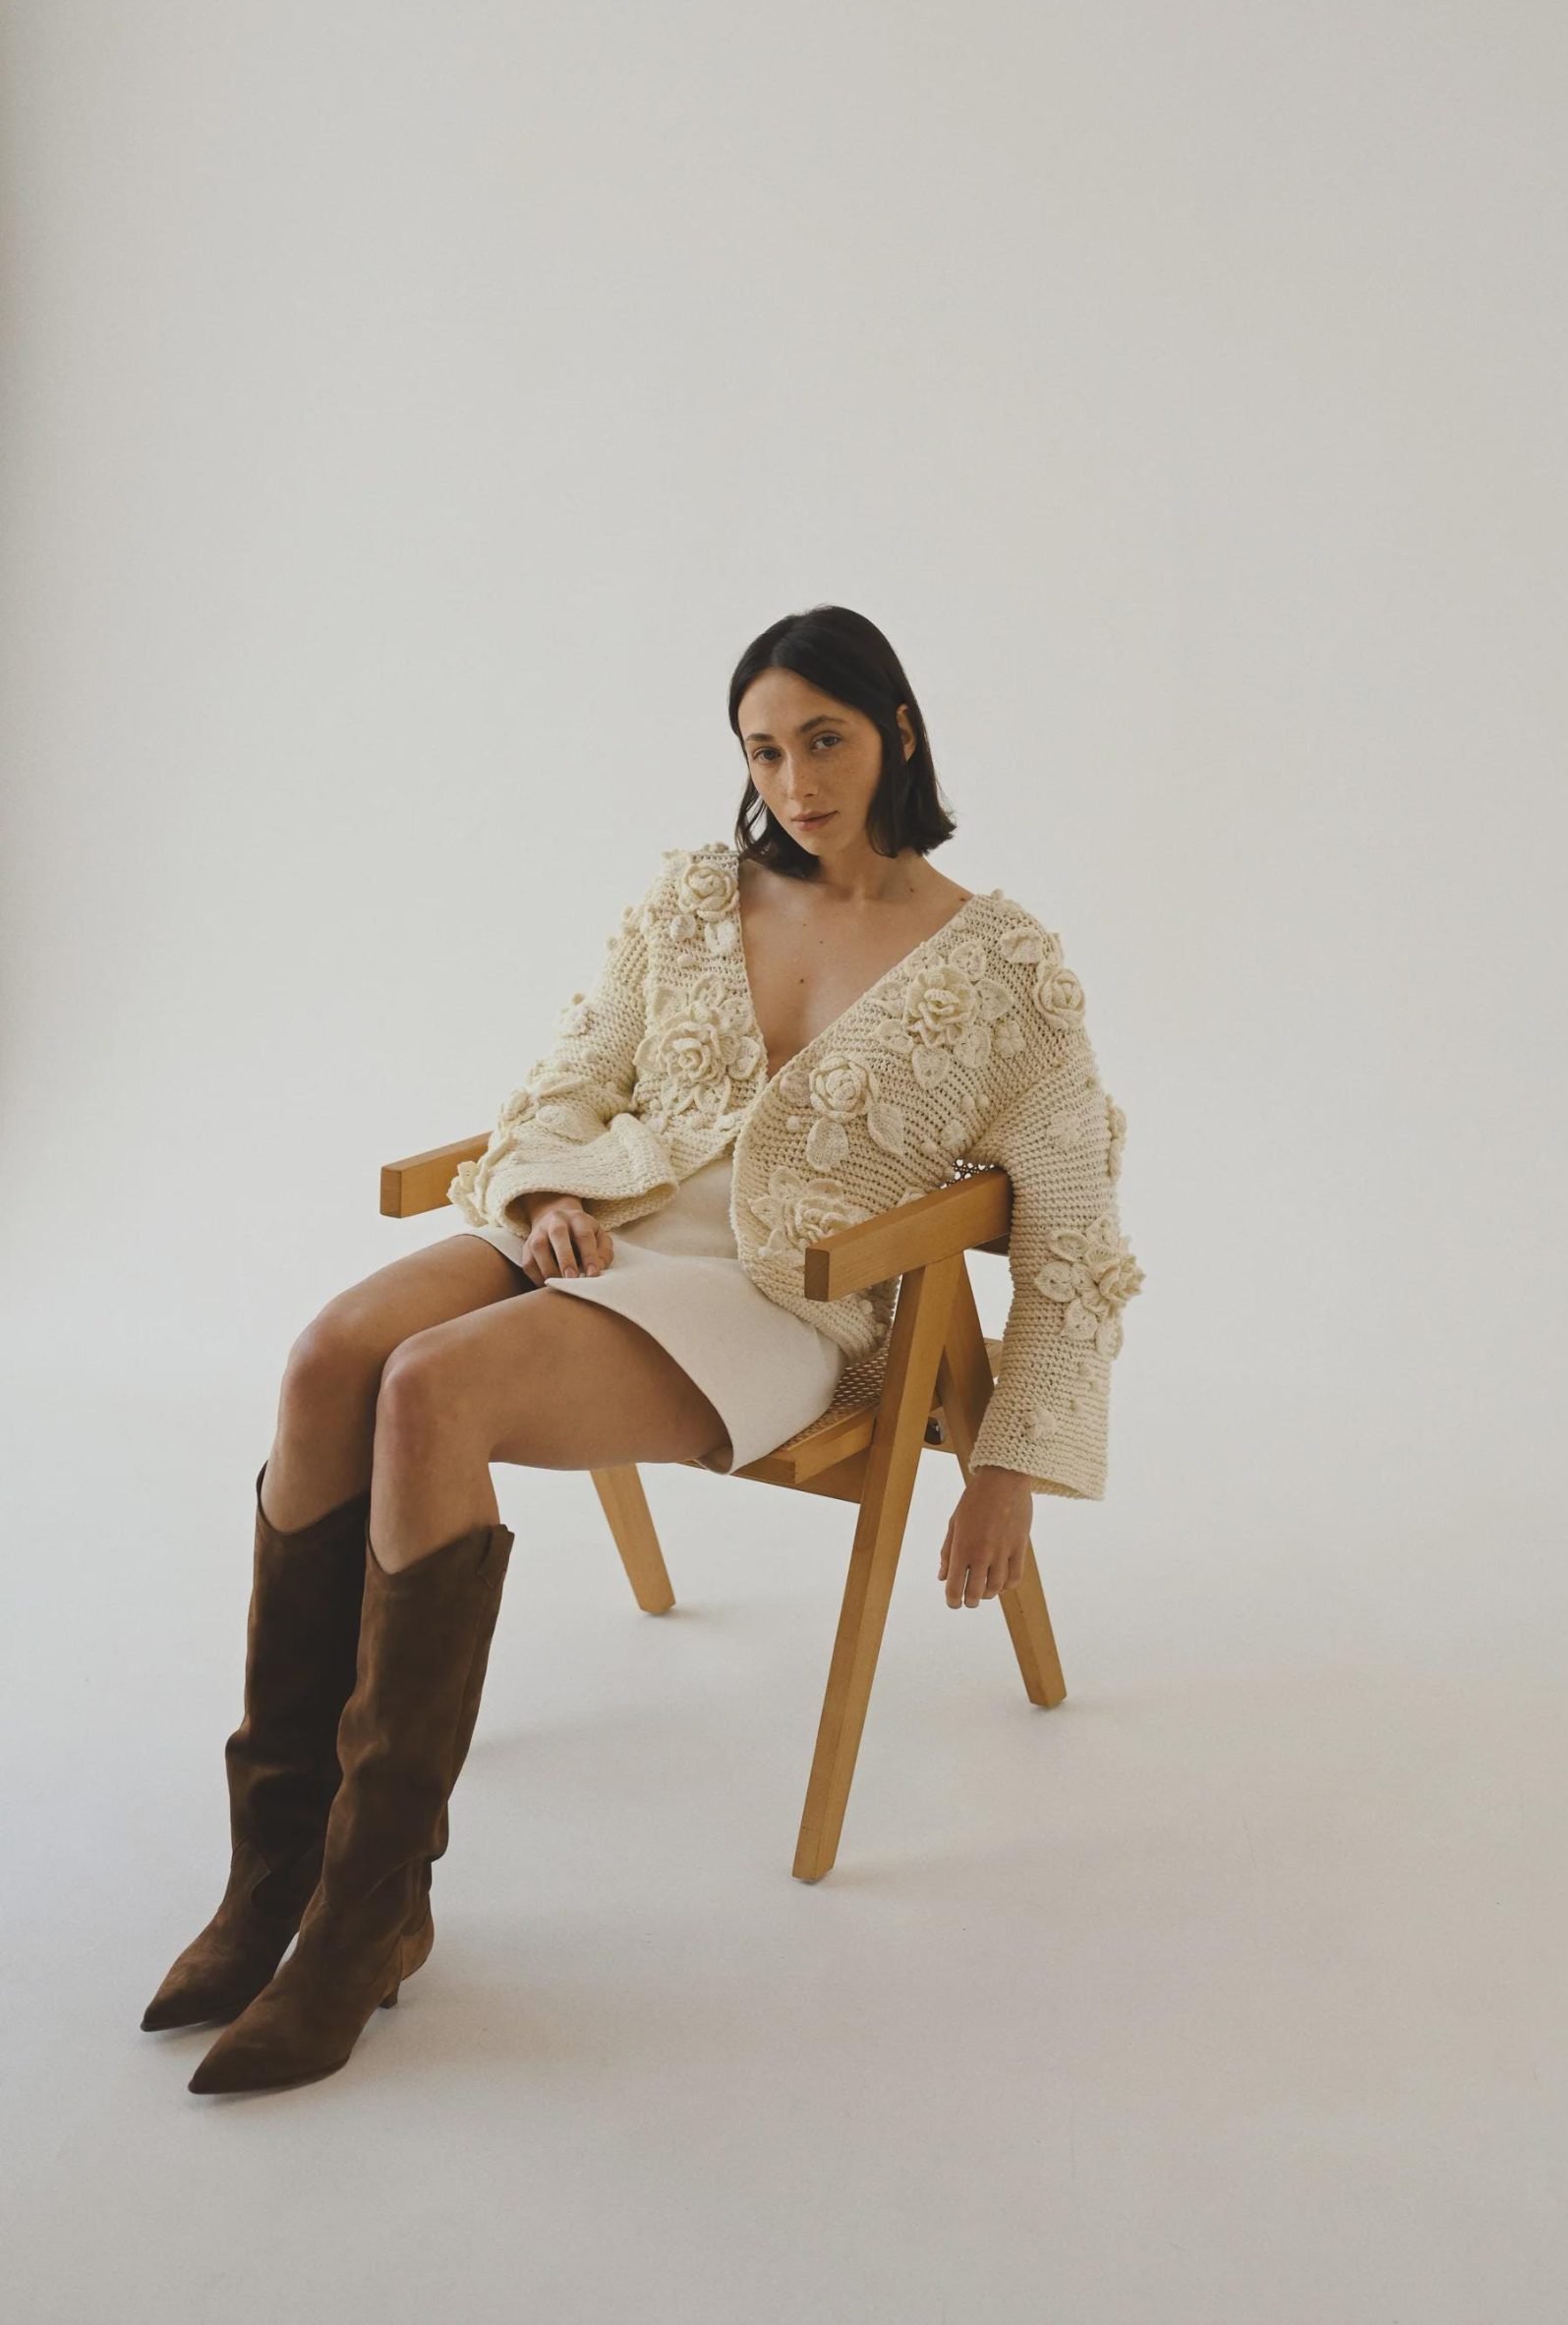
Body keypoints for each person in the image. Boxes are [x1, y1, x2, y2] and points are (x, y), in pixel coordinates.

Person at [143, 603, 1143, 2092]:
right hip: (601, 1223)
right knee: (326, 1359)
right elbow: (565, 1084)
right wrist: (542, 1189)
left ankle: (368, 1912)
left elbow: (1072, 1238)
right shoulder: (692, 900)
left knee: (431, 1391)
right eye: (763, 750)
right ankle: (269, 1868)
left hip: (777, 1301)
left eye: (824, 741)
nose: (794, 781)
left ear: (898, 734)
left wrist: (1005, 1467)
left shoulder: (1004, 970)